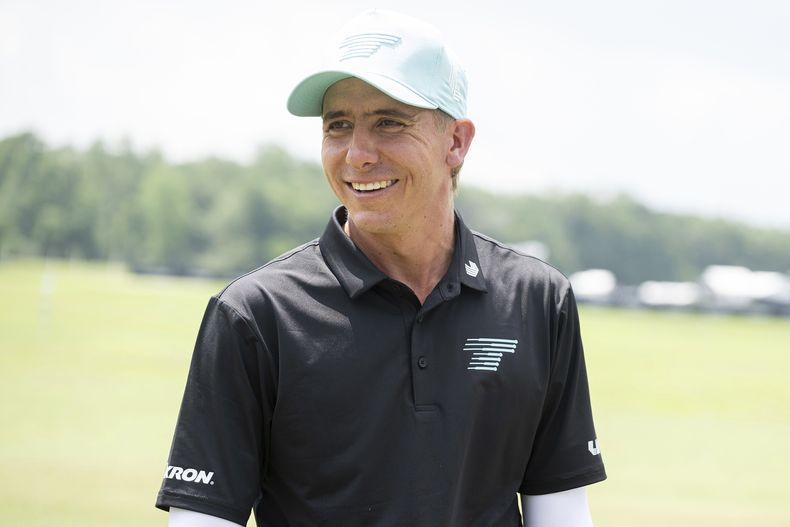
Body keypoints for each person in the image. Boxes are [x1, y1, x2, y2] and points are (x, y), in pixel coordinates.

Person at [156, 9, 606, 526]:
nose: (358, 154)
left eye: (389, 123)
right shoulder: (254, 316)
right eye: (338, 126)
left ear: (456, 142)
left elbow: (560, 509)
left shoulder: (537, 301)